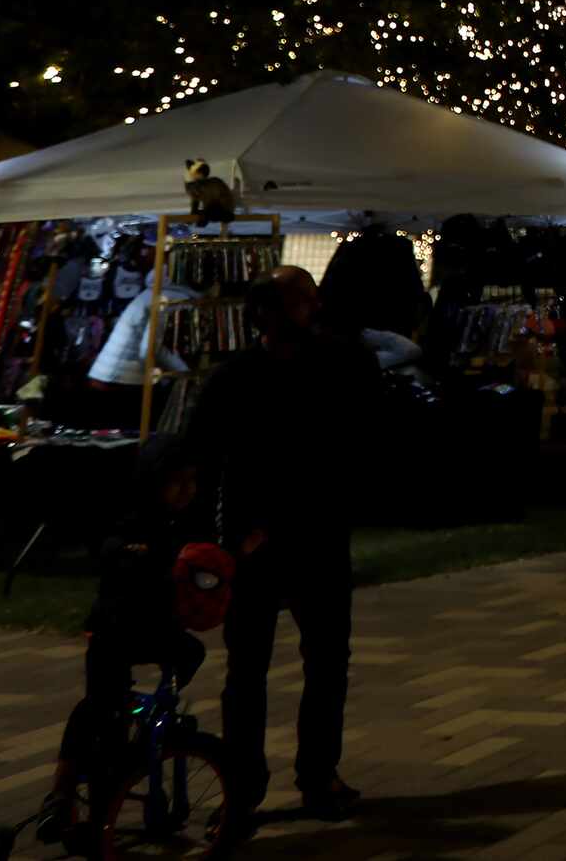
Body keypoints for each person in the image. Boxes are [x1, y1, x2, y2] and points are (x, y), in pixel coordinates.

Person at [185, 266, 377, 821]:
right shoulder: (235, 378)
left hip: (317, 535)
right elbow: (204, 455)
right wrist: (214, 538)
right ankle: (243, 784)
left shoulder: (341, 364)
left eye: (301, 299)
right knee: (247, 668)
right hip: (255, 542)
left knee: (326, 663)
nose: (301, 310)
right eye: (290, 301)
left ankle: (318, 775)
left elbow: (365, 440)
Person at [33, 439, 221, 843]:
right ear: (155, 482)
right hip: (114, 628)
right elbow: (115, 548)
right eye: (177, 482)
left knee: (188, 653)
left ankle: (150, 729)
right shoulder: (133, 518)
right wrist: (136, 556)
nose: (187, 490)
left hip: (152, 627)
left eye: (192, 481)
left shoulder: (180, 521)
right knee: (98, 708)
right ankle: (61, 795)